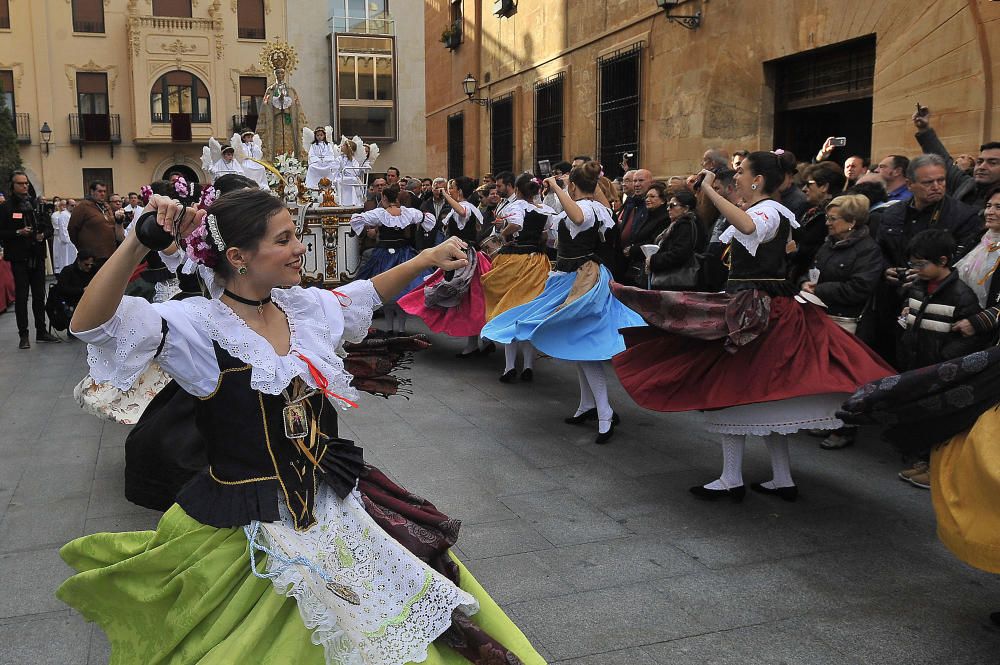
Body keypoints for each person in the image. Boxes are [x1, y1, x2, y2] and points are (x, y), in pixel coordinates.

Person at [57, 189, 544, 665]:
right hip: (254, 518)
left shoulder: (301, 308)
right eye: (284, 239)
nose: (299, 249)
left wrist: (427, 259)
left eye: (297, 235)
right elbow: (92, 325)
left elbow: (366, 293)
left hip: (333, 500)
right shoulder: (196, 326)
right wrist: (136, 241)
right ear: (239, 257)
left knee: (404, 620)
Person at [610, 152, 893, 501]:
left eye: (743, 172)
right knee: (765, 397)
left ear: (758, 179)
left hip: (756, 313)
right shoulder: (771, 211)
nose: (738, 176)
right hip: (761, 308)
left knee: (732, 391)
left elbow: (747, 227)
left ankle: (732, 478)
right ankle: (781, 477)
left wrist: (711, 191)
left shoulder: (768, 211)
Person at [482, 162, 646, 444]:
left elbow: (580, 218)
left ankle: (605, 412)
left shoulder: (591, 208)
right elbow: (562, 233)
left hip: (586, 280)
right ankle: (588, 404)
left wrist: (558, 187)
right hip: (568, 277)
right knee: (577, 344)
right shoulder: (584, 207)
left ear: (573, 185)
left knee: (585, 346)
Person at [799, 194, 884, 449]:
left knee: (845, 377)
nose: (827, 223)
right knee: (824, 372)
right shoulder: (829, 244)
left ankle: (845, 427)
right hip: (823, 315)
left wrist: (820, 289)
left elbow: (860, 287)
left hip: (848, 320)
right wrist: (806, 282)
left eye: (833, 219)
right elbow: (813, 269)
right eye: (827, 217)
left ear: (851, 222)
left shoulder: (868, 250)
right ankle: (826, 418)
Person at [479, 173, 555, 381]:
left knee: (508, 310)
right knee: (528, 312)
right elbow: (548, 236)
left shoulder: (517, 207)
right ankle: (528, 365)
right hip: (537, 261)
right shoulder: (545, 209)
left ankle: (510, 367)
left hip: (514, 260)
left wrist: (501, 235)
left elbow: (516, 225)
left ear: (518, 190)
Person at [351, 184, 435, 335]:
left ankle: (389, 328)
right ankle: (401, 328)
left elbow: (357, 219)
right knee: (403, 291)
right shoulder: (408, 213)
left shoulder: (380, 213)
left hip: (384, 255)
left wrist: (366, 229)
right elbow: (427, 218)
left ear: (384, 198)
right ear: (396, 198)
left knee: (384, 290)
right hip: (404, 254)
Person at [898, 229, 987, 372]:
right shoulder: (917, 286)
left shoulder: (961, 295)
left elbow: (969, 339)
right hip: (910, 364)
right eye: (912, 264)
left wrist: (944, 358)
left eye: (920, 264)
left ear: (942, 261)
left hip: (938, 370)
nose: (915, 269)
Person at [0, 171, 59, 348]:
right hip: (19, 258)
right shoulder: (6, 207)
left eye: (26, 183)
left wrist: (43, 235)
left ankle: (41, 331)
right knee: (22, 297)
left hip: (37, 255)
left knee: (39, 296)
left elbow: (49, 228)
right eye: (20, 183)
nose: (25, 186)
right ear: (13, 186)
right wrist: (18, 232)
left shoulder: (36, 205)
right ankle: (23, 335)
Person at [913, 105, 999, 212]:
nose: (982, 167)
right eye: (980, 161)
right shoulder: (966, 184)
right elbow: (944, 162)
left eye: (992, 163)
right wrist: (924, 129)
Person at [952, 186, 1000, 340]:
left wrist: (978, 322)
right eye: (988, 206)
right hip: (958, 318)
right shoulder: (976, 239)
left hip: (987, 334)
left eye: (998, 207)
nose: (989, 212)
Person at [788, 163, 847, 282]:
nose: (804, 189)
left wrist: (793, 251)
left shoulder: (838, 215)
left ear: (824, 187)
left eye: (809, 184)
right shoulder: (808, 209)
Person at [644, 188, 699, 290]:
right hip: (667, 279)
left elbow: (679, 253)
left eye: (672, 205)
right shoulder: (675, 225)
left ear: (686, 208)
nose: (668, 209)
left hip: (676, 282)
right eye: (668, 205)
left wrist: (653, 260)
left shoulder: (685, 225)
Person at [620, 179, 670, 287]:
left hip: (650, 266)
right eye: (647, 197)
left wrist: (633, 249)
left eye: (652, 197)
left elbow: (655, 241)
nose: (648, 199)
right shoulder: (648, 215)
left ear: (663, 200)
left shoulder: (664, 218)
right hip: (637, 265)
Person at [68, 180, 120, 267]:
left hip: (110, 253)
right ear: (92, 192)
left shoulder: (106, 206)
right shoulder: (83, 206)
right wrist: (81, 247)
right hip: (93, 256)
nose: (103, 194)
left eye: (104, 191)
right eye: (99, 191)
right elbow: (72, 228)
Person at [51, 197, 76, 272]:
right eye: (72, 205)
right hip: (67, 242)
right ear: (67, 205)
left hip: (72, 241)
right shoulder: (63, 215)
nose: (74, 207)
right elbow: (63, 229)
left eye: (75, 205)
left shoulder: (71, 214)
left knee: (71, 259)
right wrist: (67, 240)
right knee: (66, 260)